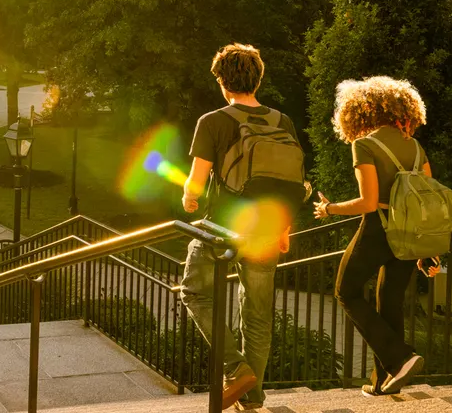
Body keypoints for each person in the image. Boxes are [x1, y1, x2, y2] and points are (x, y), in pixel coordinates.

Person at [180, 43, 304, 410]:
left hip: (223, 229)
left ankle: (234, 368)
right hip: (267, 229)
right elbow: (288, 181)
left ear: (222, 81)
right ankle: (252, 398)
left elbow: (196, 184)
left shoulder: (213, 121)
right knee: (257, 316)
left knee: (194, 292)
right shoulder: (283, 121)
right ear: (258, 79)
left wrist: (188, 200)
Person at [313, 76, 438, 396]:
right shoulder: (415, 146)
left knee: (346, 291)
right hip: (410, 233)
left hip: (379, 228)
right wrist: (428, 251)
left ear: (360, 113)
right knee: (390, 302)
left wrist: (330, 209)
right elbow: (428, 199)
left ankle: (400, 358)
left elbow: (368, 202)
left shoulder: (364, 145)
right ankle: (384, 380)